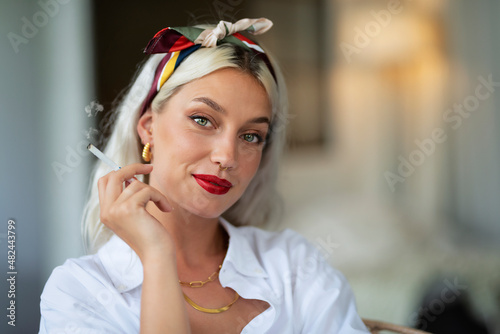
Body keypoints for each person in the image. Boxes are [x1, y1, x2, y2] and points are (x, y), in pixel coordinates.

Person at [39, 18, 370, 333]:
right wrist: (157, 255)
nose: (226, 157)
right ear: (148, 127)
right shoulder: (78, 292)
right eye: (202, 119)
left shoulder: (296, 267)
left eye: (251, 136)